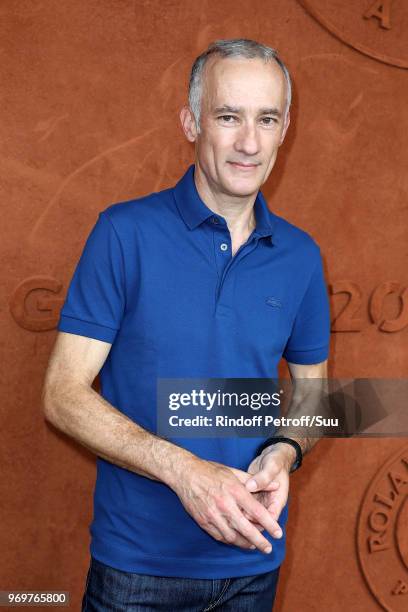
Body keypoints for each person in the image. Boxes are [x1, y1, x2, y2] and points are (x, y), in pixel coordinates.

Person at [43, 38, 330, 611]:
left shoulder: (301, 255)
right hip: (137, 574)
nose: (249, 142)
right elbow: (60, 396)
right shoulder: (123, 233)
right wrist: (187, 473)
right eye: (229, 117)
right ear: (191, 122)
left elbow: (315, 392)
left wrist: (285, 451)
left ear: (284, 128)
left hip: (255, 562)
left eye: (266, 119)